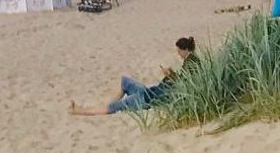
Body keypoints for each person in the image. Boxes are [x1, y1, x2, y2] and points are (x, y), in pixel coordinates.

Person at [69, 36, 198, 115]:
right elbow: (180, 80)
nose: (178, 53)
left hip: (147, 99)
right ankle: (110, 104)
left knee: (116, 106)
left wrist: (170, 74)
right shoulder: (189, 62)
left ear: (186, 50)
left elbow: (181, 84)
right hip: (149, 92)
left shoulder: (191, 64)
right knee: (124, 81)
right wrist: (170, 74)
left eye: (179, 51)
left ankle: (80, 111)